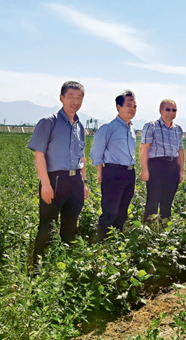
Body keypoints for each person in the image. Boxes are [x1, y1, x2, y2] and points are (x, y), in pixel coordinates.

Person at [27, 81, 88, 265]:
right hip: (55, 180)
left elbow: (82, 158)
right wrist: (45, 184)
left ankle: (64, 267)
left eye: (79, 97)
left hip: (75, 180)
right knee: (48, 226)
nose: (75, 101)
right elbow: (40, 155)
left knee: (70, 225)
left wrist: (84, 183)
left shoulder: (79, 126)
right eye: (71, 97)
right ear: (61, 98)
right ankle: (37, 269)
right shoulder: (48, 122)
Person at [90, 90, 137, 241]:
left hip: (129, 173)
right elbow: (97, 152)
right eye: (129, 105)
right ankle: (102, 244)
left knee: (122, 211)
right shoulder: (108, 127)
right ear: (118, 106)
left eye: (135, 106)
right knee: (110, 212)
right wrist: (100, 172)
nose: (132, 109)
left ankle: (116, 243)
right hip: (113, 172)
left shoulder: (132, 129)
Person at [140, 99, 185, 222]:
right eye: (168, 109)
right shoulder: (151, 126)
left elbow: (180, 152)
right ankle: (148, 229)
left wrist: (181, 171)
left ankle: (164, 228)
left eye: (174, 110)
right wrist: (144, 170)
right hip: (156, 165)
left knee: (168, 201)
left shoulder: (178, 129)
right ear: (160, 110)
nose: (171, 112)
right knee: (153, 200)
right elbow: (144, 149)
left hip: (172, 166)